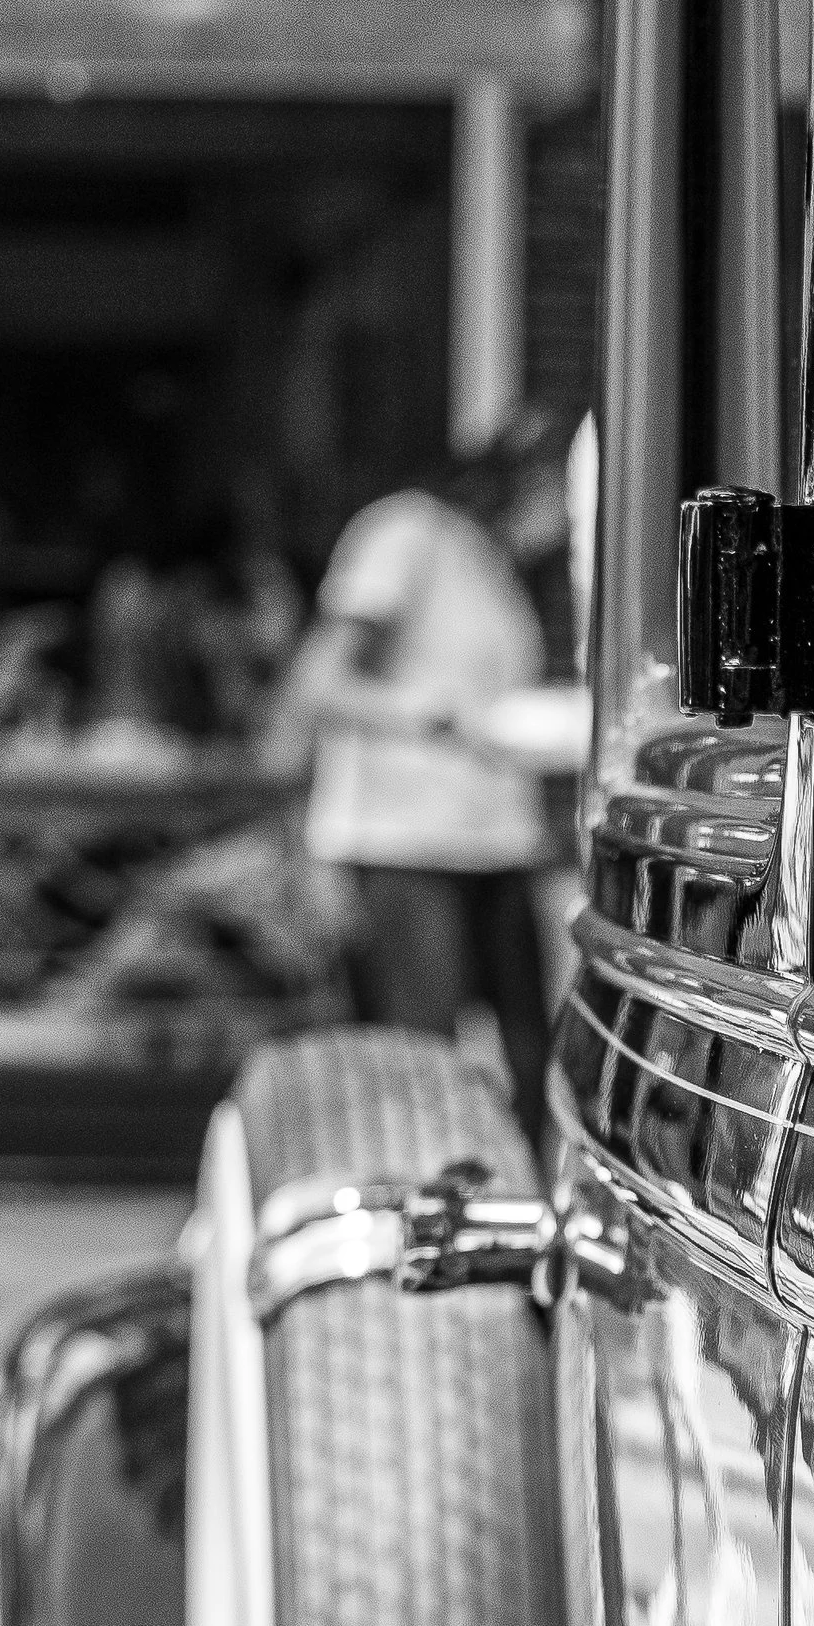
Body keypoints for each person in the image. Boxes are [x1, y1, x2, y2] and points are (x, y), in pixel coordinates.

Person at [284, 431, 566, 1144]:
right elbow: (318, 684)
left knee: (531, 1061)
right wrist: (434, 716)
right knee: (423, 1064)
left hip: (496, 842)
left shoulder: (495, 563)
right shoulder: (405, 530)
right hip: (406, 844)